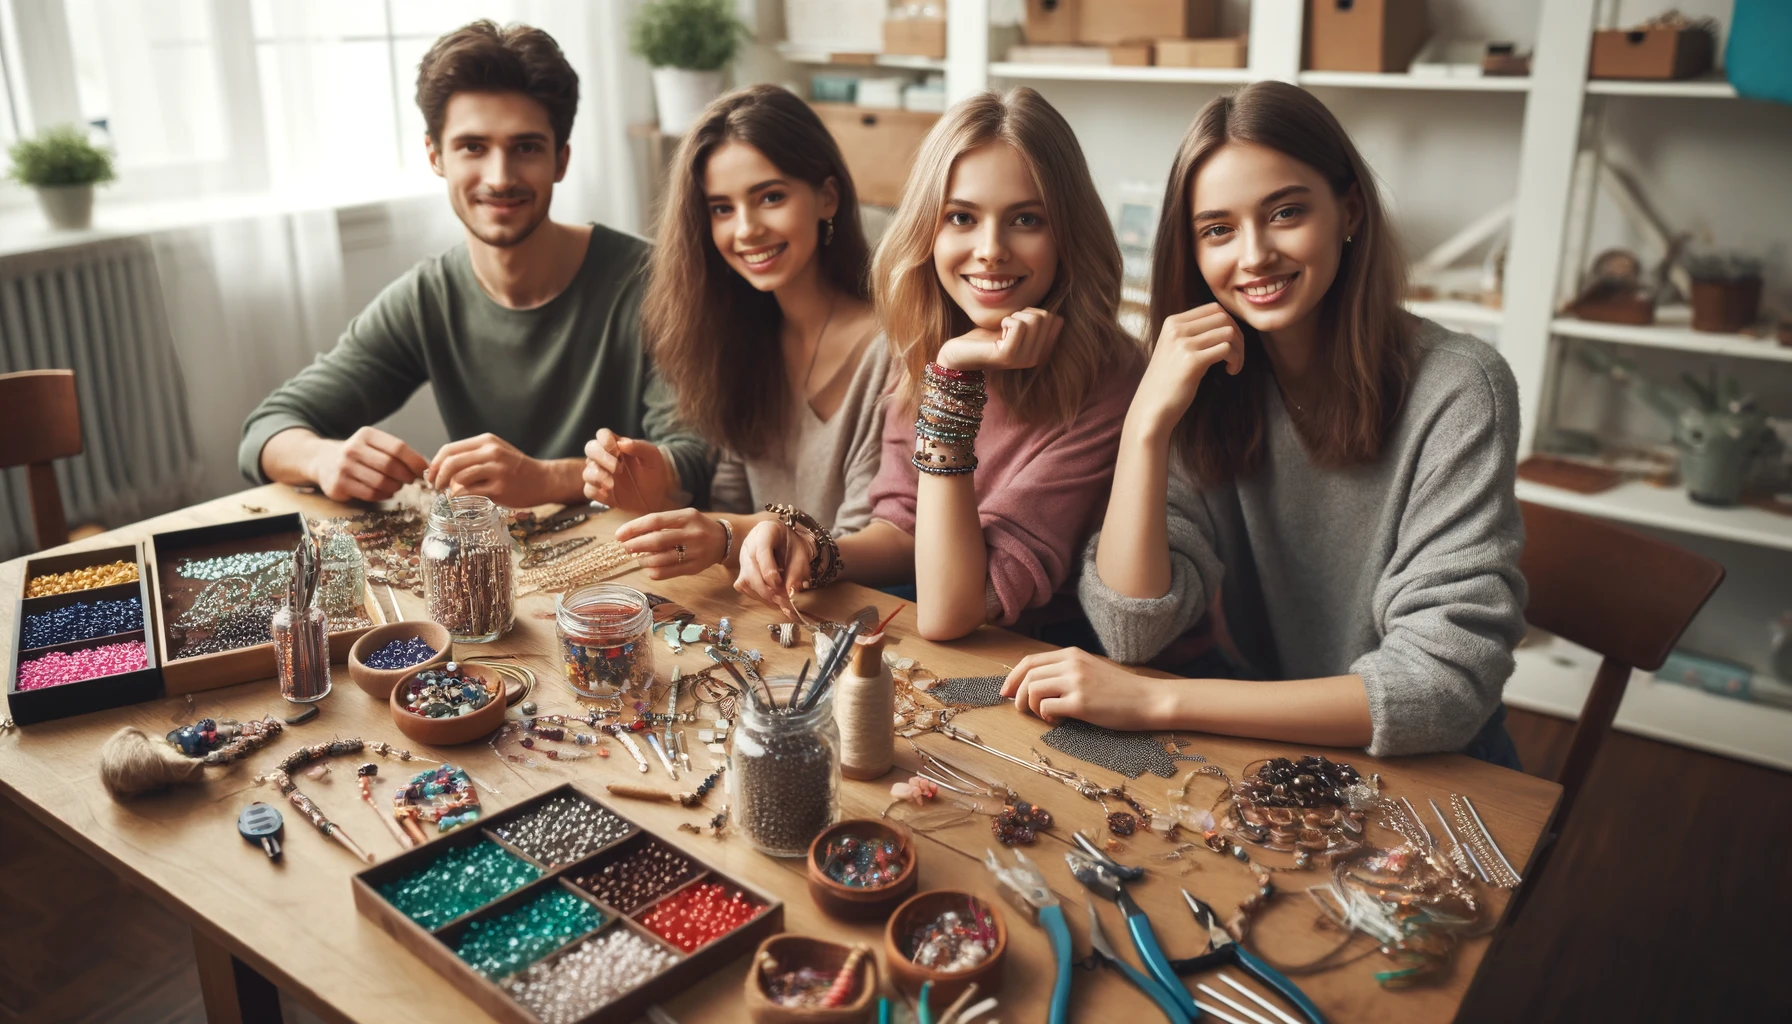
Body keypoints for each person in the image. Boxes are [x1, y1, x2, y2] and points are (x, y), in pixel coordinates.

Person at [1003, 81, 1526, 764]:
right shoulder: (1208, 379)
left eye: (1284, 213)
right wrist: (1145, 428)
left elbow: (1439, 689)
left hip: (1429, 766)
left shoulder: (1459, 387)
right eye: (1217, 229)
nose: (1252, 256)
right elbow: (1132, 628)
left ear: (1350, 211)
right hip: (1265, 747)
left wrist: (1158, 702)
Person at [239, 20, 707, 508]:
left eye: (525, 147)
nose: (500, 177)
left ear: (561, 161)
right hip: (494, 570)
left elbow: (692, 457)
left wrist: (547, 479)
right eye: (473, 147)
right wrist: (323, 458)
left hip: (637, 568)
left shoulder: (654, 283)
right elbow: (267, 428)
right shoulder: (427, 299)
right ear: (435, 155)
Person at [733, 88, 1143, 642]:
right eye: (962, 217)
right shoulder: (929, 340)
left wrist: (952, 380)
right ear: (929, 228)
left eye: (1026, 219)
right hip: (966, 657)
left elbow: (952, 608)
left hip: (1051, 667)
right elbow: (904, 530)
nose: (991, 248)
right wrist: (811, 545)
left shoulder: (1112, 381)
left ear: (1068, 233)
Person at [581, 85, 889, 583]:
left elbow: (860, 538)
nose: (745, 229)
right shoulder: (741, 337)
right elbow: (730, 502)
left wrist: (725, 534)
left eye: (770, 197)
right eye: (722, 208)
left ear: (827, 197)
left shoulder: (888, 348)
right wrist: (653, 491)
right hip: (767, 617)